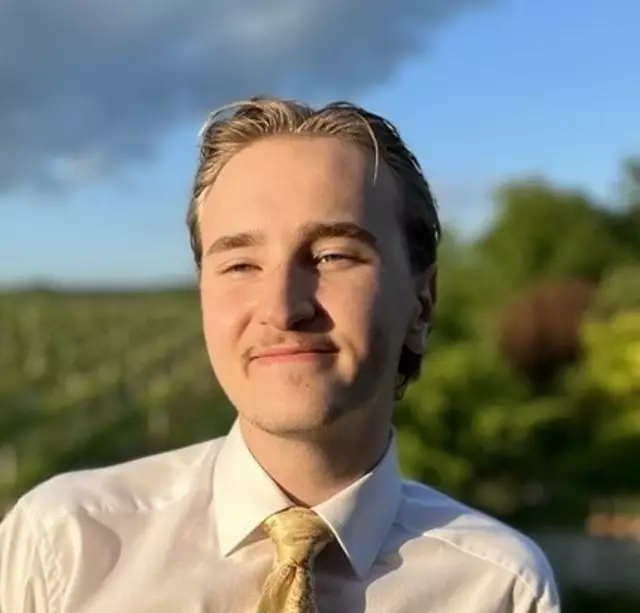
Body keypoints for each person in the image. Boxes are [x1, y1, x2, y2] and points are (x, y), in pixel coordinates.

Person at [0, 97, 560, 612]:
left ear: (421, 302)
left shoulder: (501, 588)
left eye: (333, 256)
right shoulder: (64, 546)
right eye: (241, 265)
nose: (283, 308)